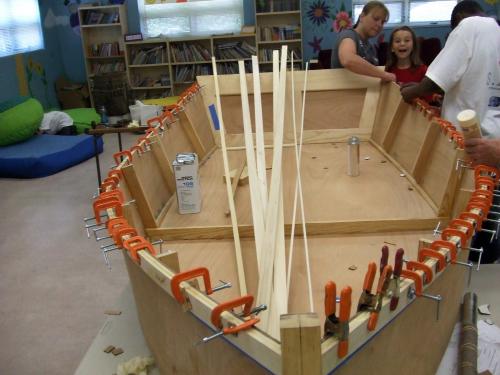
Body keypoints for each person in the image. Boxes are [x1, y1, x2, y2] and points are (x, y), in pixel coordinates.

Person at [400, 1, 499, 138]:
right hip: (492, 138)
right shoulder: (496, 31)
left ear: (458, 18)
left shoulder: (469, 24)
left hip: (464, 138)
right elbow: (477, 85)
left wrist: (409, 93)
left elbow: (435, 82)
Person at [331, 1, 396, 82]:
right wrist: (384, 75)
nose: (379, 24)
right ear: (362, 17)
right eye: (376, 19)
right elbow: (348, 60)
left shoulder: (371, 48)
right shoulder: (349, 35)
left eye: (383, 22)